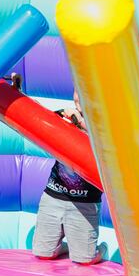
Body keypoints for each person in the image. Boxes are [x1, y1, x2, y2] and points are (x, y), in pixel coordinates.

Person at [33, 92, 106, 264]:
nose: (80, 96)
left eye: (85, 90)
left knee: (85, 259)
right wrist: (17, 90)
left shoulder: (104, 126)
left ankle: (102, 249)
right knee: (43, 253)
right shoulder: (64, 116)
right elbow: (35, 116)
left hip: (85, 203)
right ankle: (65, 246)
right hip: (54, 196)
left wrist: (80, 123)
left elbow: (108, 144)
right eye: (76, 91)